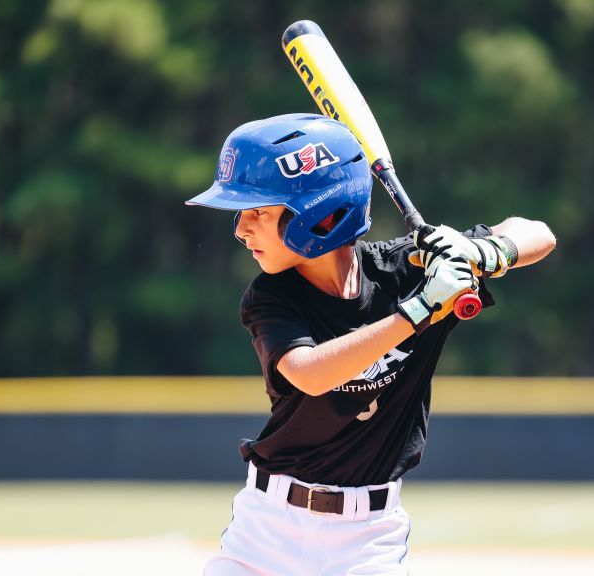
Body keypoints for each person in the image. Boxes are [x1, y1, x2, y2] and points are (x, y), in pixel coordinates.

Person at [187, 113, 555, 576]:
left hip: (369, 540)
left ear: (319, 213)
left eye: (258, 211)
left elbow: (538, 231)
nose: (241, 228)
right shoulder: (270, 297)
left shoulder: (410, 269)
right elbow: (311, 373)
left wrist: (481, 253)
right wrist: (418, 311)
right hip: (267, 532)